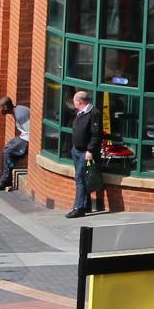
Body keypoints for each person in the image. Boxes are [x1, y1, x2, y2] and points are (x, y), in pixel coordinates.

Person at [67, 90, 103, 219]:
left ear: (80, 101)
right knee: (81, 179)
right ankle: (86, 204)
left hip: (85, 152)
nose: (74, 104)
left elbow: (96, 134)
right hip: (76, 150)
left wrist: (90, 150)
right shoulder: (80, 113)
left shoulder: (94, 113)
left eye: (75, 102)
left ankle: (79, 208)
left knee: (79, 179)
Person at [0, 96, 30, 191]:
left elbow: (30, 132)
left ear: (5, 107)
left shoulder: (20, 115)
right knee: (6, 149)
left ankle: (6, 180)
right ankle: (5, 177)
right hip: (23, 135)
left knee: (8, 152)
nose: (0, 110)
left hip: (27, 138)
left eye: (0, 108)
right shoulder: (17, 110)